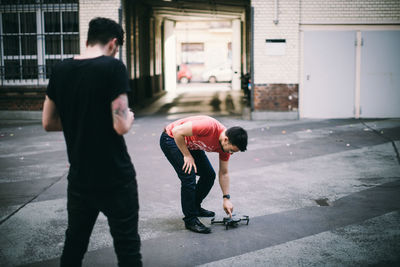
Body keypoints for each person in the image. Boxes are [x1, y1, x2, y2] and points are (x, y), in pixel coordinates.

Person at [42, 17, 141, 266]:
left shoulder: (61, 70)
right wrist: (128, 117)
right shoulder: (112, 67)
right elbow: (120, 126)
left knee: (74, 246)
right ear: (114, 43)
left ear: (87, 40)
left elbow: (48, 122)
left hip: (80, 180)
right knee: (127, 249)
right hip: (115, 178)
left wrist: (80, 119)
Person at [159, 115, 248, 234]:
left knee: (209, 175)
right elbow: (177, 131)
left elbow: (224, 173)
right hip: (171, 138)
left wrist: (226, 198)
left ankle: (195, 206)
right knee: (188, 176)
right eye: (231, 150)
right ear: (226, 139)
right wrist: (187, 155)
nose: (230, 153)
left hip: (192, 145)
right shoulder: (209, 126)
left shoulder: (225, 148)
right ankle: (190, 220)